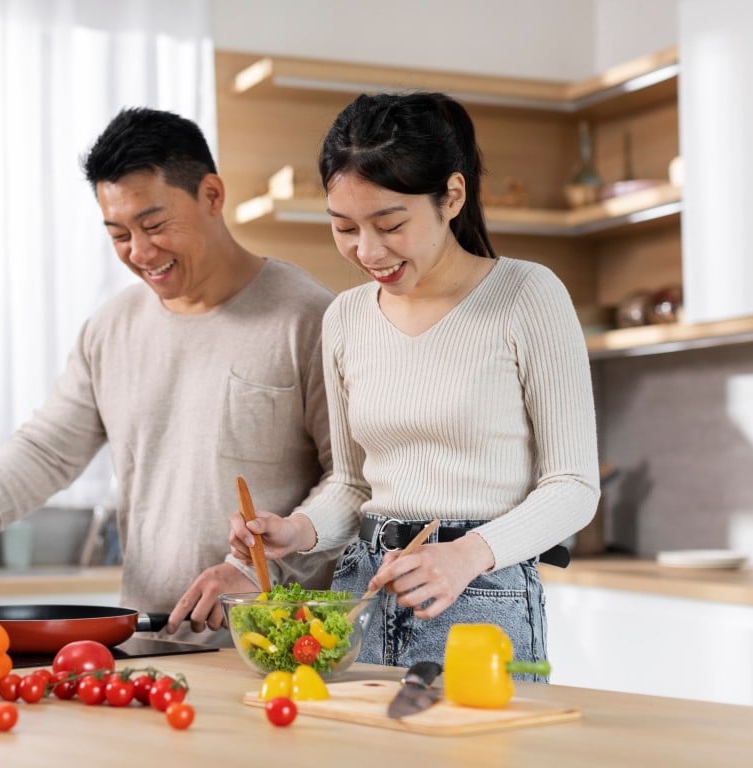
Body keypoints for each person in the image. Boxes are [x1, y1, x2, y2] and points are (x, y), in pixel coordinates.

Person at [0, 107, 339, 644]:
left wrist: (253, 572)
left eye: (154, 226)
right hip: (149, 641)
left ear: (212, 196)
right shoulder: (112, 327)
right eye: (118, 233)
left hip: (277, 643)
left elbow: (350, 483)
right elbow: (46, 450)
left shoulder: (310, 318)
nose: (140, 252)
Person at [230, 91, 599, 671]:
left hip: (481, 593)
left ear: (452, 196)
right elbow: (354, 487)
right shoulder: (346, 317)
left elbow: (574, 486)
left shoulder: (527, 296)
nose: (367, 250)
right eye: (344, 227)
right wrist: (299, 530)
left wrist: (467, 555)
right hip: (363, 592)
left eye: (390, 224)